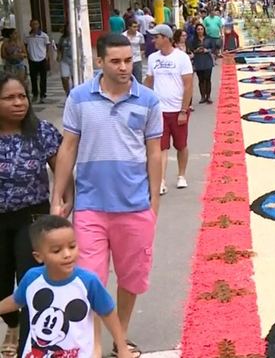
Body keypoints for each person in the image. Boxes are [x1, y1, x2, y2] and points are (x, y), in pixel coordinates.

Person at [51, 33, 162, 358]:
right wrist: (58, 196)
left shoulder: (147, 100)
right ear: (99, 61)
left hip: (134, 207)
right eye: (115, 61)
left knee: (131, 278)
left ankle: (120, 336)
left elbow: (154, 153)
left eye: (128, 60)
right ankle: (93, 345)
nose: (124, 67)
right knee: (89, 281)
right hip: (90, 207)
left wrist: (154, 200)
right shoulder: (80, 97)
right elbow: (67, 147)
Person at [0, 71, 71, 357]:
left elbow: (62, 171)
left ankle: (29, 344)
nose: (19, 103)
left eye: (22, 96)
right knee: (1, 282)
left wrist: (65, 204)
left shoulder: (41, 132)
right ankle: (13, 324)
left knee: (31, 280)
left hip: (33, 219)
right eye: (9, 98)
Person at [0, 216, 132, 358]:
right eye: (57, 250)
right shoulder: (32, 278)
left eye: (72, 246)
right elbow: (16, 300)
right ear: (38, 257)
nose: (67, 254)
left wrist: (122, 348)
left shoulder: (88, 281)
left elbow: (108, 313)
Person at [144, 24, 193, 193]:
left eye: (156, 37)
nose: (153, 40)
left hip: (177, 109)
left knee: (181, 145)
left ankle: (181, 175)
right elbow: (149, 82)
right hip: (159, 111)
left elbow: (188, 85)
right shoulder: (152, 58)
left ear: (165, 38)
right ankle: (162, 181)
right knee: (161, 147)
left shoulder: (181, 58)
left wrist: (183, 110)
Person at [24, 19, 52, 104]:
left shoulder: (44, 36)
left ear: (39, 25)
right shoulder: (27, 36)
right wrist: (28, 55)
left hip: (42, 58)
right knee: (33, 78)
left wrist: (47, 56)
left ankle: (43, 95)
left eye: (36, 24)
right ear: (30, 25)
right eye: (32, 24)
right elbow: (25, 45)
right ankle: (35, 94)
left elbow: (47, 46)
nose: (34, 26)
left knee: (43, 78)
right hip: (32, 59)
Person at [190, 23, 214, 104]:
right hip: (198, 60)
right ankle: (202, 96)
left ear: (204, 30)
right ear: (196, 31)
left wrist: (207, 50)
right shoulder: (193, 40)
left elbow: (213, 48)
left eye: (201, 29)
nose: (200, 31)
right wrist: (196, 50)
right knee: (201, 79)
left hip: (207, 60)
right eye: (198, 29)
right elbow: (191, 50)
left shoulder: (208, 39)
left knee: (208, 79)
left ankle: (208, 96)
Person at [123, 19, 145, 84]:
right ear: (129, 27)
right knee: (127, 79)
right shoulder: (123, 36)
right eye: (134, 27)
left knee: (138, 79)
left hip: (137, 59)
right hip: (126, 60)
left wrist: (140, 54)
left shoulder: (140, 36)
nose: (136, 28)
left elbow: (142, 47)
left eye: (137, 27)